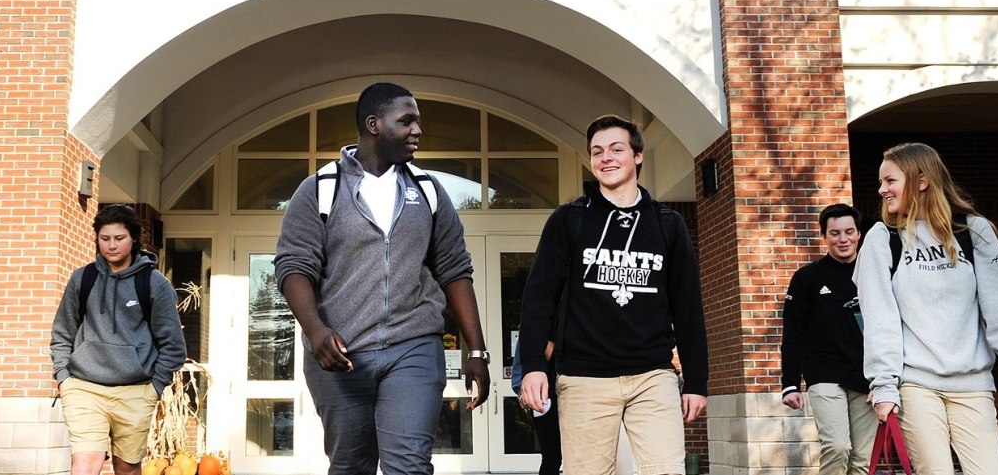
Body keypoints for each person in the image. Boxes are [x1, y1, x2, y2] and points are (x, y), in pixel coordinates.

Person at [273, 82, 490, 475]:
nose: (417, 130)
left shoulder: (427, 190)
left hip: (413, 348)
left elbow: (455, 269)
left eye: (417, 122)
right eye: (406, 121)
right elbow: (293, 267)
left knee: (408, 465)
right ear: (374, 124)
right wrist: (316, 330)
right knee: (351, 466)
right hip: (341, 355)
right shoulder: (321, 189)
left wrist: (476, 350)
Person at [518, 114, 708, 475]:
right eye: (597, 151)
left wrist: (696, 381)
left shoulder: (667, 224)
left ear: (637, 155)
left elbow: (687, 308)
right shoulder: (569, 219)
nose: (606, 158)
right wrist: (533, 367)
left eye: (616, 149)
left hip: (653, 375)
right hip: (584, 377)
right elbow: (539, 297)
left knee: (667, 470)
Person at [855, 142, 998, 475]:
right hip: (916, 384)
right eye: (881, 182)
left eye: (890, 181)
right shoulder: (883, 238)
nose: (882, 189)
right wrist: (884, 384)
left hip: (974, 384)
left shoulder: (973, 232)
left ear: (922, 180)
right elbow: (879, 318)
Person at [50, 204, 186, 475]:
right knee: (85, 463)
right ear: (97, 239)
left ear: (134, 239)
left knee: (126, 467)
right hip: (83, 387)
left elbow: (173, 345)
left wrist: (155, 386)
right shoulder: (83, 278)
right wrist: (64, 376)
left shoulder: (153, 283)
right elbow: (63, 331)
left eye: (119, 238)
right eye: (105, 238)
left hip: (136, 390)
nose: (111, 245)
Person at [780, 203, 873, 475]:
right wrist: (790, 383)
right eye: (834, 233)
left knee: (862, 459)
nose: (843, 239)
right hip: (824, 374)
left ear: (858, 234)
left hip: (866, 377)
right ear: (824, 237)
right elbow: (793, 334)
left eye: (849, 232)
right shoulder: (808, 278)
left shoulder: (874, 274)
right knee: (838, 446)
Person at [512, 338, 562, 475]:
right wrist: (521, 391)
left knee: (557, 456)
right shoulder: (536, 329)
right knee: (552, 456)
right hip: (546, 398)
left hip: (562, 396)